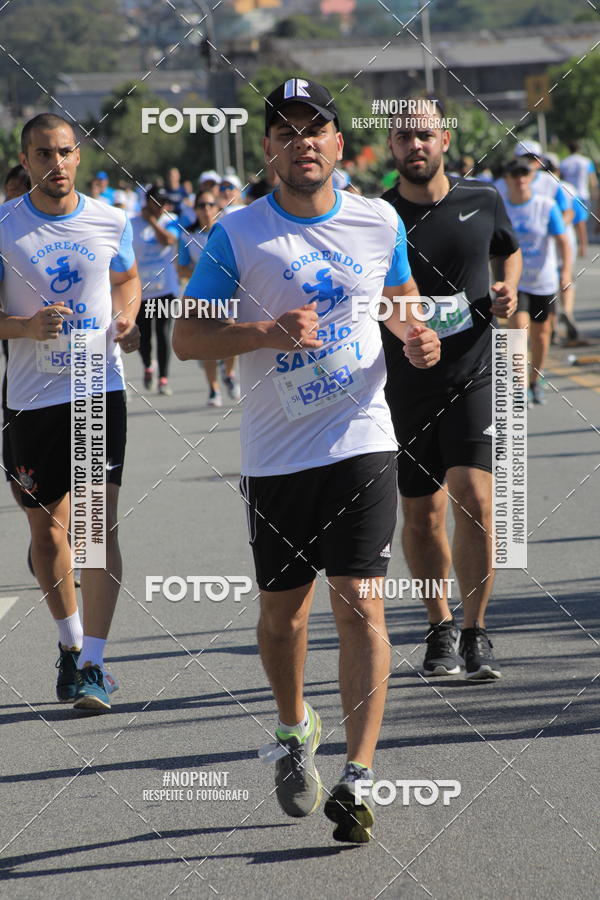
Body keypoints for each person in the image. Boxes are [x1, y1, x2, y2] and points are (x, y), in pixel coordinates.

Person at [174, 78, 440, 844]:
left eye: (314, 129)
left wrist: (415, 336)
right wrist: (263, 335)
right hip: (275, 455)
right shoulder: (237, 235)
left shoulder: (376, 218)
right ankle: (295, 727)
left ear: (336, 142)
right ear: (269, 150)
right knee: (282, 619)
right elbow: (189, 337)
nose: (302, 143)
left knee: (360, 601)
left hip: (362, 440)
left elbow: (400, 299)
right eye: (286, 132)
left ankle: (359, 779)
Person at [0, 113, 141, 711]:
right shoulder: (4, 226)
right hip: (31, 400)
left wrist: (128, 315)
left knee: (93, 527)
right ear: (25, 159)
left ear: (78, 156)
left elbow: (128, 279)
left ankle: (93, 664)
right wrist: (25, 327)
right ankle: (69, 641)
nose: (55, 164)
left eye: (64, 152)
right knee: (46, 532)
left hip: (94, 386)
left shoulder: (111, 218)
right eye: (42, 154)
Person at [381, 98, 521, 682]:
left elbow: (508, 252)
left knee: (477, 499)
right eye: (404, 137)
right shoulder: (376, 216)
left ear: (443, 140)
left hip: (473, 373)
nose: (416, 145)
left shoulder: (481, 198)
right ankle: (439, 626)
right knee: (421, 516)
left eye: (425, 135)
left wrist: (507, 290)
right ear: (391, 146)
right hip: (402, 384)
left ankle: (476, 629)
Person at [503, 158, 572, 405]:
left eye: (525, 174)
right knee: (518, 332)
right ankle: (520, 386)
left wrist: (565, 272)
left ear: (531, 177)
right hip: (516, 282)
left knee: (541, 336)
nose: (520, 179)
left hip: (543, 281)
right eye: (515, 174)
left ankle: (535, 380)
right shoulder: (502, 208)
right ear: (507, 179)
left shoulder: (545, 206)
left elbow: (563, 241)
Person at [177, 191, 239, 405]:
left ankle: (229, 373)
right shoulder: (188, 236)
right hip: (203, 296)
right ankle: (214, 389)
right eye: (201, 205)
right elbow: (181, 269)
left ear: (217, 208)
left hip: (229, 294)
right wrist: (203, 273)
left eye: (210, 204)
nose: (206, 209)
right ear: (195, 210)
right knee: (208, 340)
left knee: (232, 332)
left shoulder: (230, 231)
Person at [131, 185, 180, 395]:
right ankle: (148, 366)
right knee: (142, 334)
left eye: (164, 202)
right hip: (141, 289)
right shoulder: (132, 223)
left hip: (165, 289)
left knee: (163, 333)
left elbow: (168, 240)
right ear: (147, 202)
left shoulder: (171, 220)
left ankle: (163, 378)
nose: (161, 206)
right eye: (156, 201)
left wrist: (151, 221)